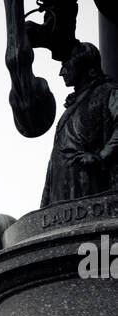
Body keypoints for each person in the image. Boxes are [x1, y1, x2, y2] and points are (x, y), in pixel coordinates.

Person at [40, 41, 118, 208]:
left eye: (65, 64)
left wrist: (103, 156)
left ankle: (107, 236)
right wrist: (45, 204)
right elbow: (55, 159)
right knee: (67, 234)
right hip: (61, 194)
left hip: (92, 190)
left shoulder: (108, 92)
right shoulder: (71, 108)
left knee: (102, 234)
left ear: (83, 64)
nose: (61, 72)